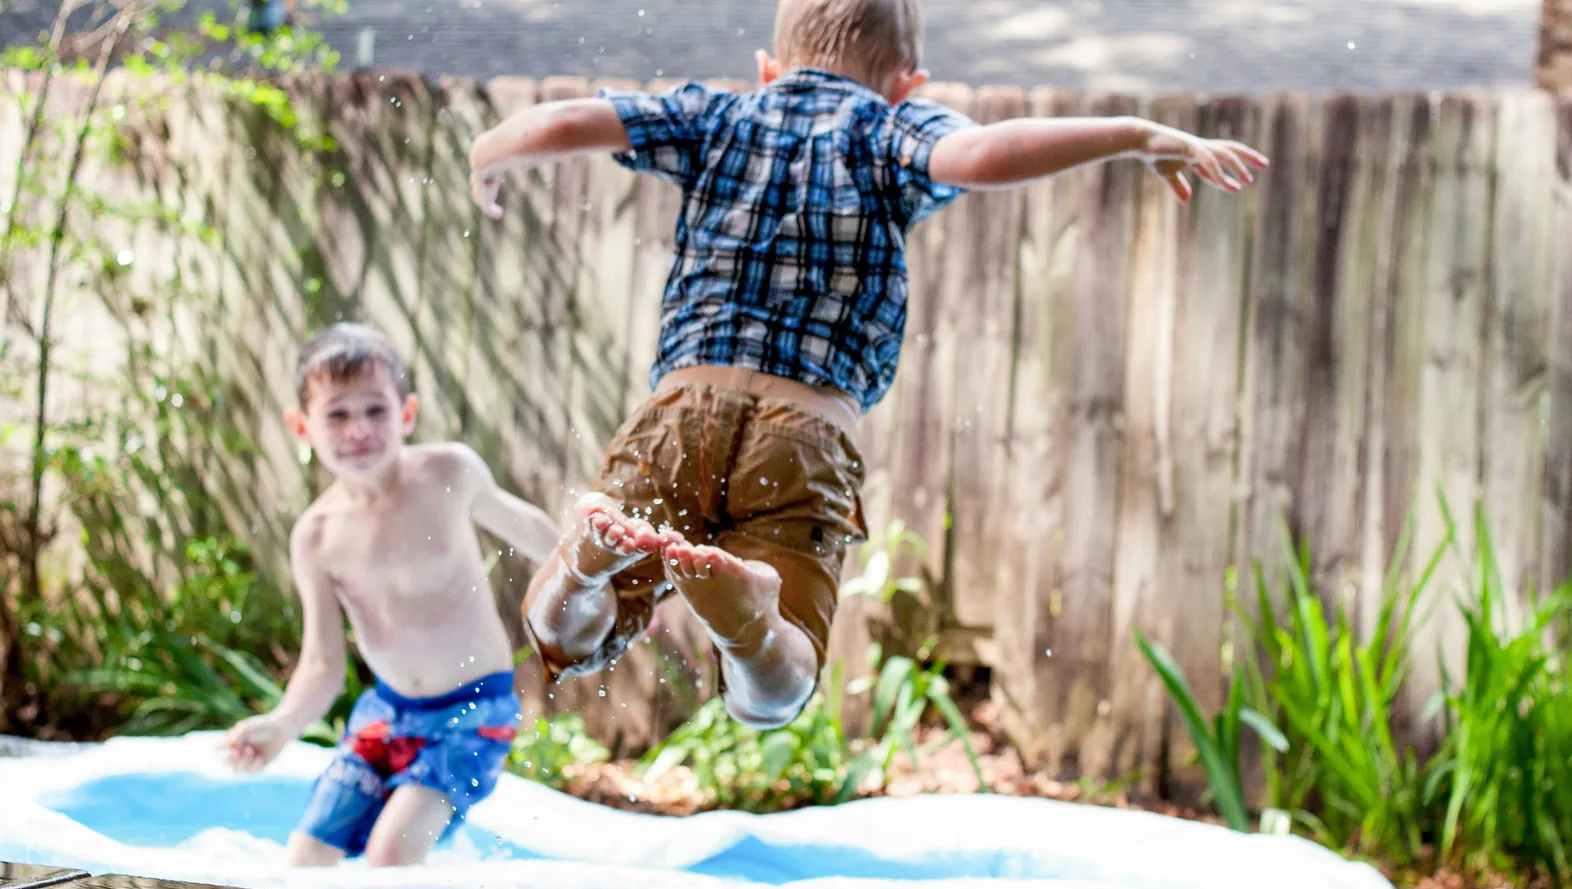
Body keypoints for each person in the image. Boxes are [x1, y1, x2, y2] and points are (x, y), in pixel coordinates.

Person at [466, 0, 1268, 733]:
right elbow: (986, 154)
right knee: (776, 692)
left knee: (567, 636)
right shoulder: (890, 130)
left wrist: (489, 152)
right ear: (906, 84)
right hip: (807, 431)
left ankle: (580, 566)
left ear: (769, 68)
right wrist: (1134, 133)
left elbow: (573, 118)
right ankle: (749, 625)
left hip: (681, 408)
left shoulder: (716, 115)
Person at [219, 323, 562, 867]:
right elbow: (323, 663)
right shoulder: (315, 536)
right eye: (337, 414)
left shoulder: (447, 473)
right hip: (387, 714)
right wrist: (281, 725)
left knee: (390, 855)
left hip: (475, 708)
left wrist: (605, 584)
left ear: (406, 414)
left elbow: (533, 532)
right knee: (304, 861)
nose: (358, 428)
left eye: (375, 410)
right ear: (301, 426)